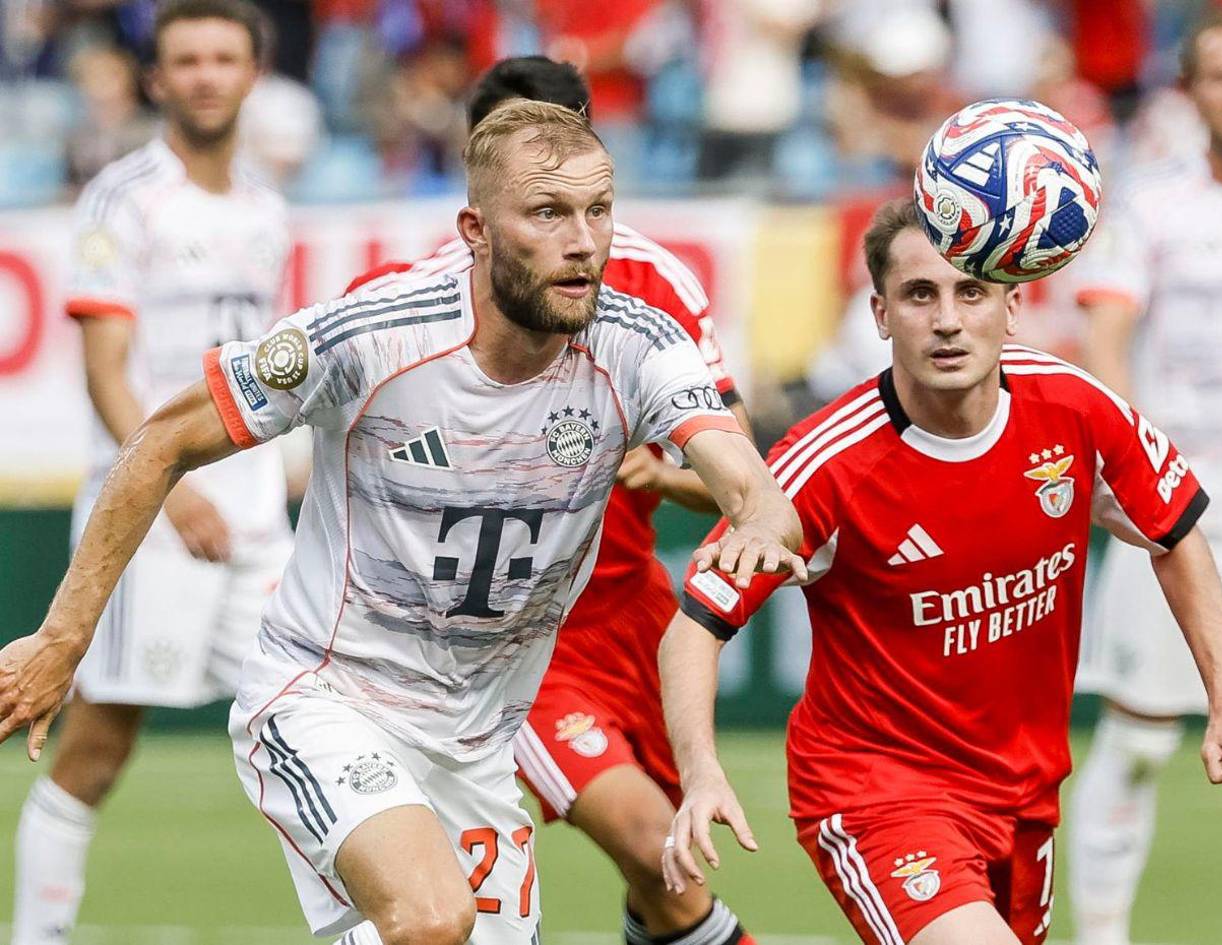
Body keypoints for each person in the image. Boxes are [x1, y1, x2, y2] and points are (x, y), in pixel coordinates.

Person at [0, 100, 806, 945]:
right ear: (476, 229)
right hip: (327, 696)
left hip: (478, 739)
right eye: (547, 213)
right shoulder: (373, 335)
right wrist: (62, 637)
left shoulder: (640, 343)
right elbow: (163, 437)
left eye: (598, 211)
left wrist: (756, 512)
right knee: (429, 919)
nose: (583, 241)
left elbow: (748, 479)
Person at [657, 198, 1222, 945]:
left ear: (1011, 307)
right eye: (920, 294)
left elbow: (1175, 530)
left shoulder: (1078, 409)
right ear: (879, 314)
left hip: (1025, 793)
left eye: (970, 291)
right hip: (877, 793)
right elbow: (694, 628)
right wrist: (700, 768)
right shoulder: (822, 466)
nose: (947, 319)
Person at [348, 56, 757, 945]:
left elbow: (733, 460)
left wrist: (669, 476)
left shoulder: (657, 289)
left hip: (637, 615)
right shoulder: (432, 306)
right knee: (657, 847)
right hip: (524, 644)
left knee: (670, 883)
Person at [10, 4, 295, 945]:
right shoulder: (123, 198)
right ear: (157, 80)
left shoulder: (266, 207)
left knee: (311, 721)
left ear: (255, 72)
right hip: (154, 516)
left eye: (224, 58)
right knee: (98, 743)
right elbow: (107, 369)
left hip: (256, 517)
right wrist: (177, 488)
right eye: (187, 60)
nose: (207, 76)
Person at [1069, 9, 1222, 945]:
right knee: (1140, 738)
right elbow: (1107, 340)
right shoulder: (1151, 203)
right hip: (1181, 506)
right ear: (1191, 93)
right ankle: (1102, 936)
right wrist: (1138, 476)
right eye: (1220, 76)